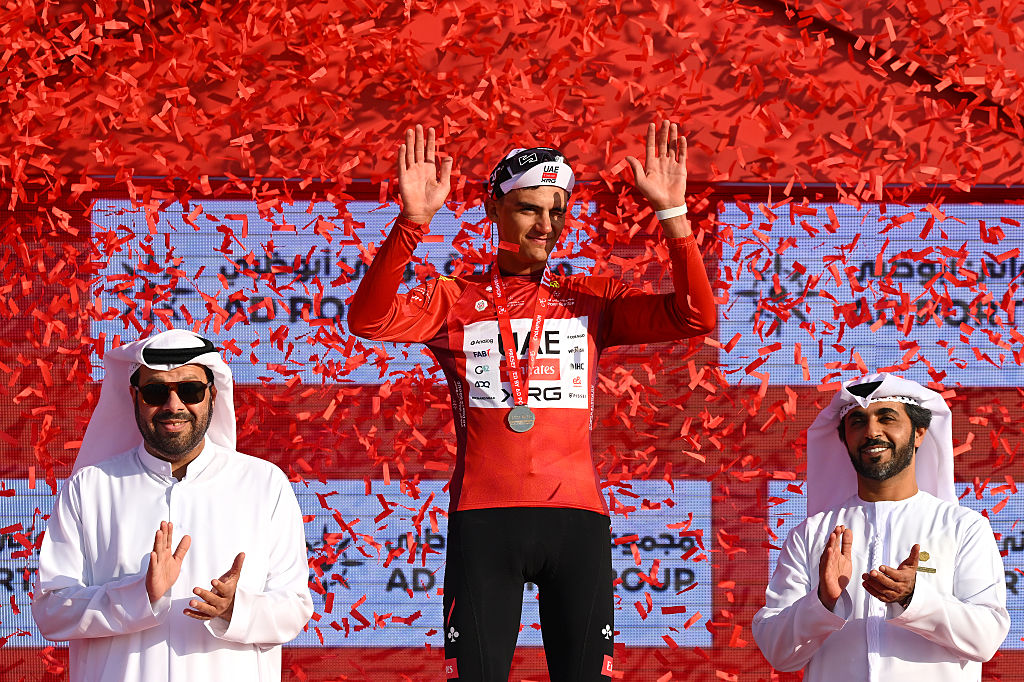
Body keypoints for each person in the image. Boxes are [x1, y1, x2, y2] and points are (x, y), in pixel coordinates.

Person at [348, 123, 716, 680]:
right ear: (494, 209)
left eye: (558, 211)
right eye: (528, 209)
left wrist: (672, 216)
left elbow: (695, 317)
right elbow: (367, 319)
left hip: (577, 523)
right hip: (484, 522)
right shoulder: (455, 299)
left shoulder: (591, 299)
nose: (546, 225)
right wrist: (412, 223)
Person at [32, 329, 313, 682]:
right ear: (134, 396)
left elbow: (295, 607)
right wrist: (140, 595)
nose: (173, 405)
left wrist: (233, 609)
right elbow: (52, 611)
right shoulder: (90, 488)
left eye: (190, 390)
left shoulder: (263, 484)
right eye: (156, 391)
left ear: (212, 394)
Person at [752, 373, 1009, 681]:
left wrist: (914, 598)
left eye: (887, 418)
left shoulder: (963, 528)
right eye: (857, 422)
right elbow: (779, 652)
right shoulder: (812, 534)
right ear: (844, 439)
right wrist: (822, 601)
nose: (872, 431)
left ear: (919, 434)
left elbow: (986, 638)